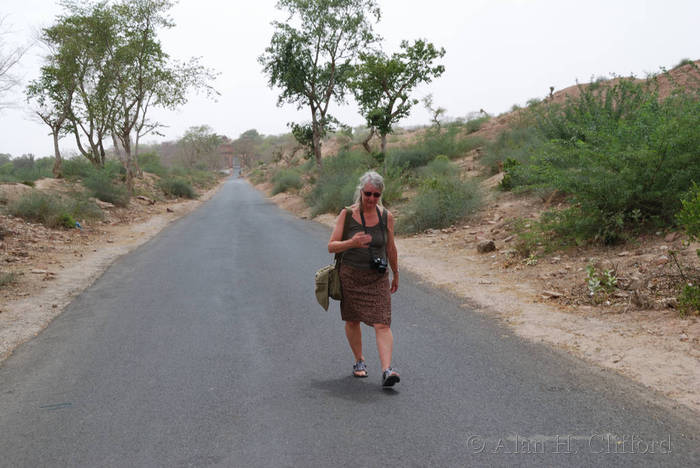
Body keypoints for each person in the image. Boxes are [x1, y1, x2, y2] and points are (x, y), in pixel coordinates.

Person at [327, 171, 400, 387]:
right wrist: (352, 243)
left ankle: (387, 370)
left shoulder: (386, 216)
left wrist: (396, 273)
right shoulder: (347, 214)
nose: (371, 198)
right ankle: (359, 360)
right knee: (352, 320)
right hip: (351, 275)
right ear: (361, 192)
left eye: (376, 195)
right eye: (368, 193)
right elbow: (331, 246)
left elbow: (391, 247)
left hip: (377, 277)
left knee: (382, 322)